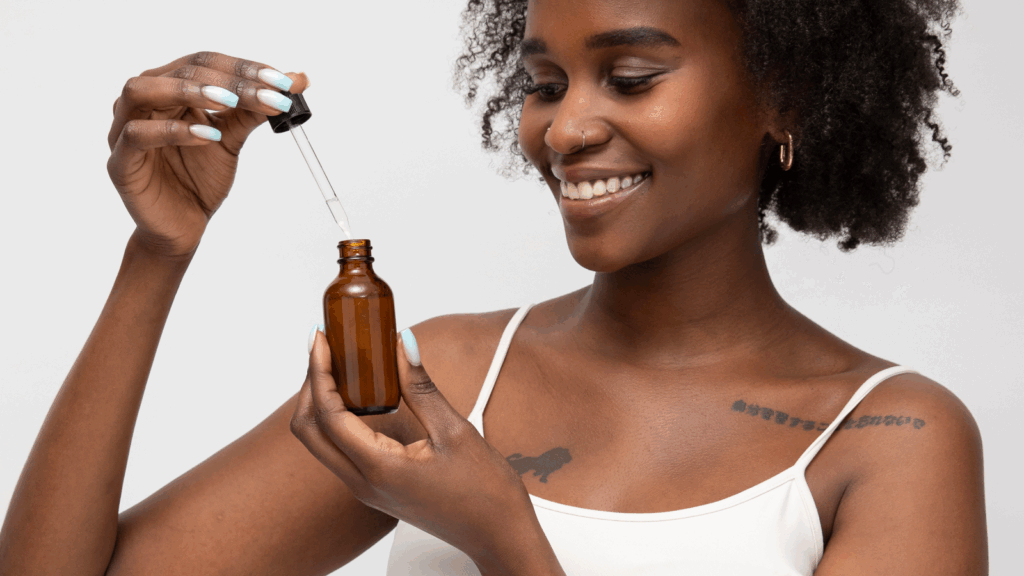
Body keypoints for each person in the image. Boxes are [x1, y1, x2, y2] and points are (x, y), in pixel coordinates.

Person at [0, 0, 988, 574]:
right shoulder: (451, 377)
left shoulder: (889, 439)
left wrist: (502, 537)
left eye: (631, 78)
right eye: (545, 83)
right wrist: (156, 252)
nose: (562, 134)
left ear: (787, 98)